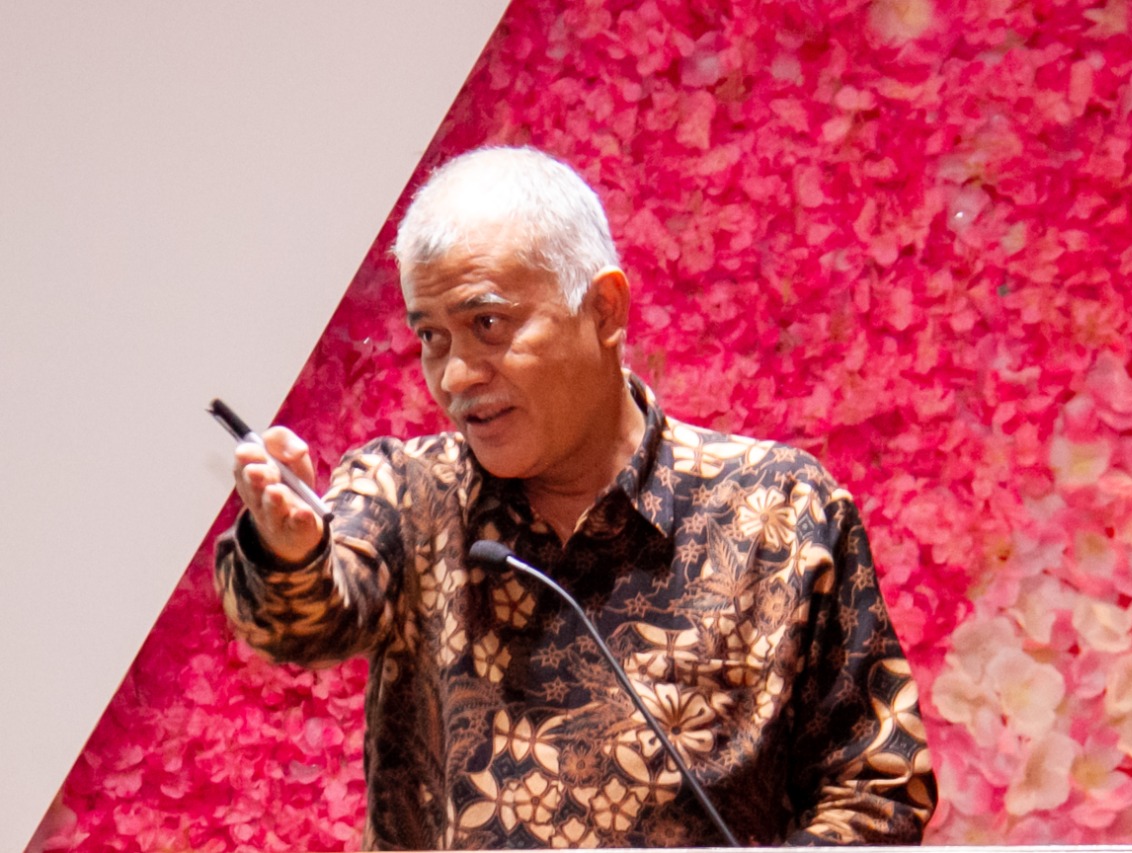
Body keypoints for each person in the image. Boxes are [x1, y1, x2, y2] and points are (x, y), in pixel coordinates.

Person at [216, 146, 936, 850]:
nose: (457, 375)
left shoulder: (782, 510)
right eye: (432, 336)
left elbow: (875, 785)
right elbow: (306, 618)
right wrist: (289, 550)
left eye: (487, 325)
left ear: (603, 309)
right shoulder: (408, 492)